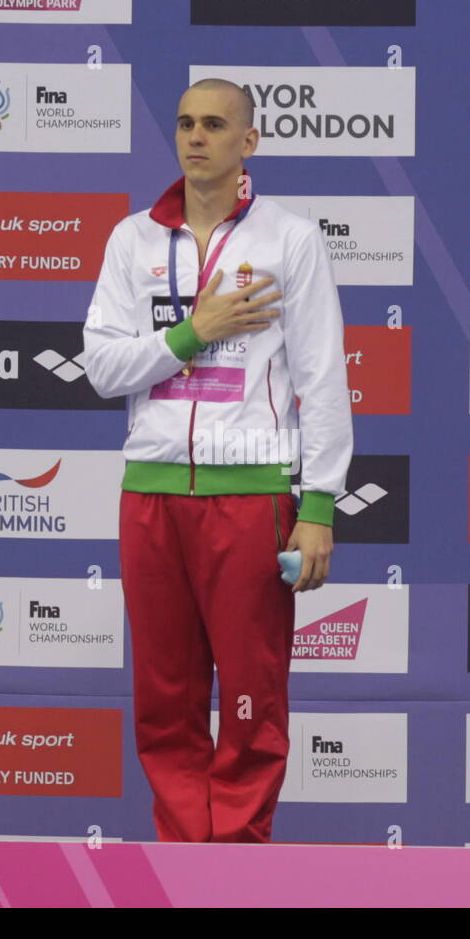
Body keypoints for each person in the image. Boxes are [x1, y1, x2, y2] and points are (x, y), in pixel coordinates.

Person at [83, 78, 353, 844]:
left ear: (249, 142)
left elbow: (322, 380)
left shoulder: (289, 239)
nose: (196, 136)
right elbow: (102, 369)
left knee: (250, 703)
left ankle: (236, 868)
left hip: (253, 497)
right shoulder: (131, 240)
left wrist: (319, 508)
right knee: (164, 703)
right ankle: (181, 865)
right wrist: (192, 332)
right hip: (152, 496)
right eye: (185, 124)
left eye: (214, 124)